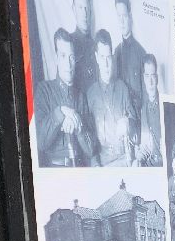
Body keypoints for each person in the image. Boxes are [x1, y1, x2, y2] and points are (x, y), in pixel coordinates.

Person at [35, 29, 98, 166]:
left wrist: (79, 126)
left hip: (80, 170)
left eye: (71, 57)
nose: (68, 64)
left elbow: (91, 150)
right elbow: (40, 142)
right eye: (63, 56)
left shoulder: (81, 97)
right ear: (56, 58)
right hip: (56, 173)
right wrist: (61, 112)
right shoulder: (44, 90)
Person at [84, 30, 137, 165]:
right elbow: (88, 138)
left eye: (109, 57)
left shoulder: (123, 88)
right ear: (96, 57)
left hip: (125, 159)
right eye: (102, 57)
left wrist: (128, 122)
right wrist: (96, 166)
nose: (106, 64)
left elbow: (134, 121)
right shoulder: (90, 95)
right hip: (104, 164)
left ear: (112, 56)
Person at [112, 0, 147, 105]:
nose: (121, 21)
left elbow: (146, 97)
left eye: (124, 16)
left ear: (130, 17)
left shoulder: (141, 53)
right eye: (118, 16)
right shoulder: (115, 53)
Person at [68, 0, 98, 98]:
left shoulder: (97, 45)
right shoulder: (68, 44)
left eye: (86, 8)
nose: (84, 13)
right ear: (73, 9)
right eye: (80, 7)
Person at [137, 54, 163, 167]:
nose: (150, 82)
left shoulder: (164, 104)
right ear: (143, 78)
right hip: (150, 164)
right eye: (147, 76)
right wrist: (139, 156)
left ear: (157, 77)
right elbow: (146, 145)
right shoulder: (144, 109)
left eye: (153, 76)